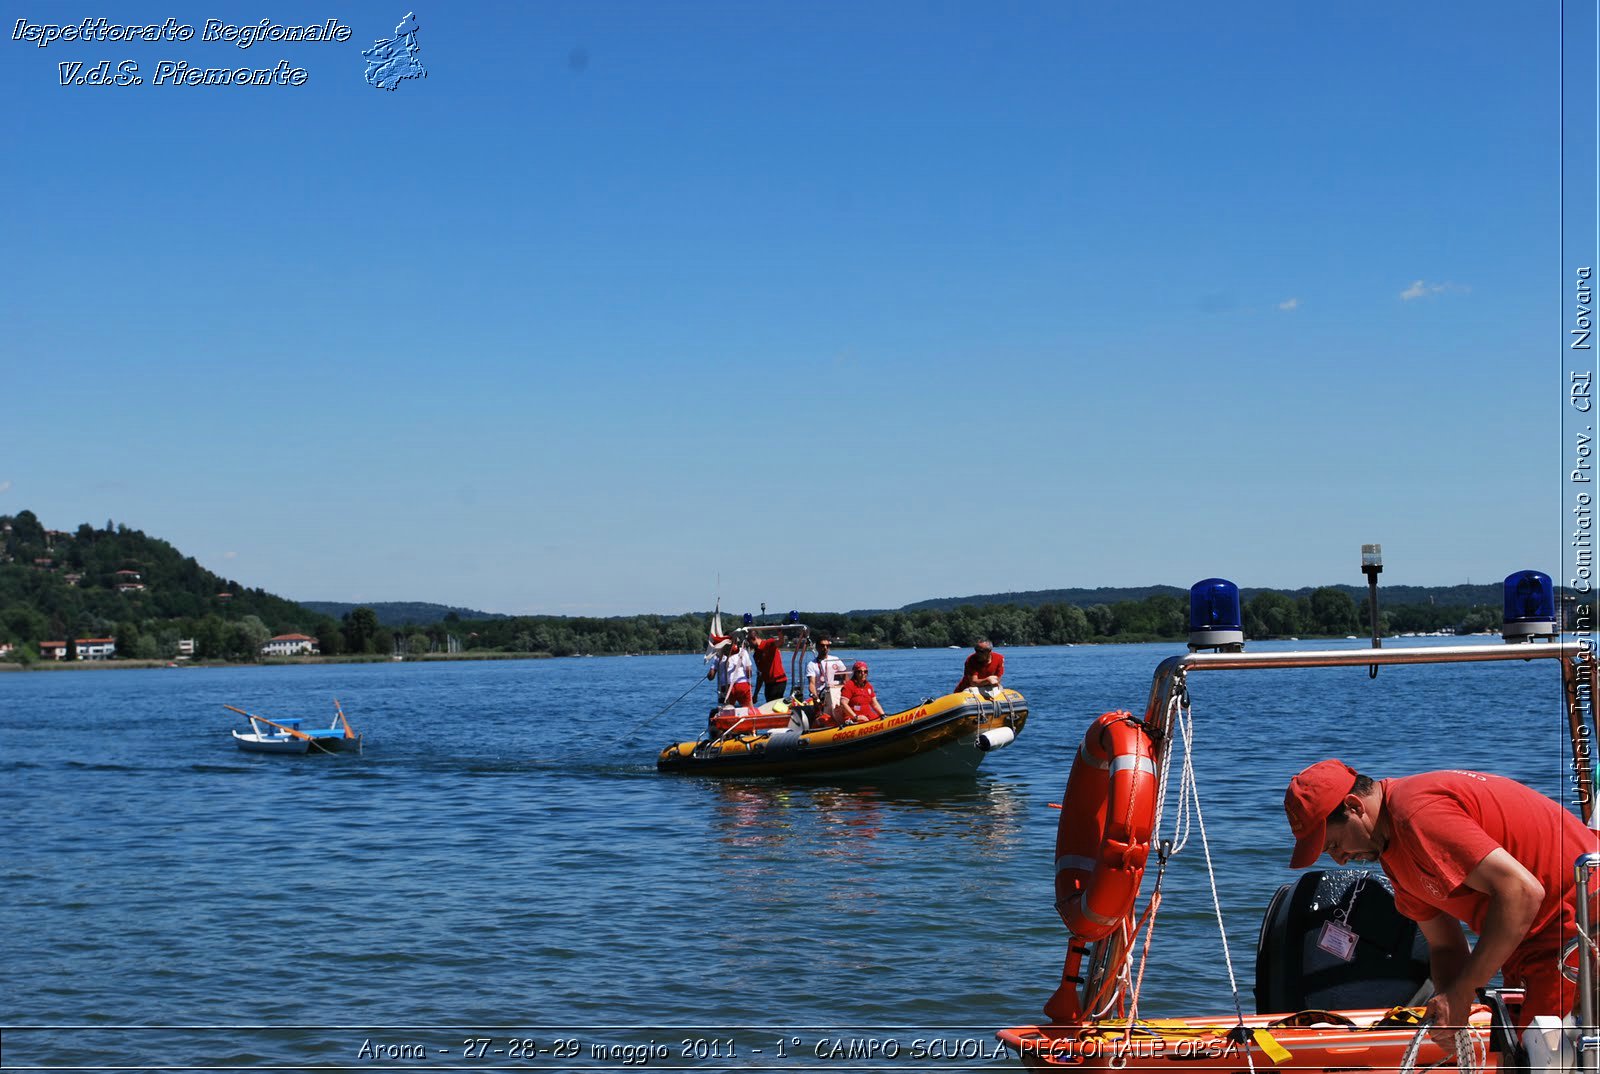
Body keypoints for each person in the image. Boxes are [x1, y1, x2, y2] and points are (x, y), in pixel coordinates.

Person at [1284, 759, 1599, 1040]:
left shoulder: (1417, 814)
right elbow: (1445, 945)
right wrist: (1450, 1010)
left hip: (1577, 925)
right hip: (1531, 943)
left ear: (1354, 806)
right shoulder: (1392, 852)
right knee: (1517, 1047)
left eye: (1335, 844)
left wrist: (1461, 994)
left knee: (1541, 1052)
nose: (1339, 861)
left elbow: (1522, 892)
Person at [805, 637, 850, 725]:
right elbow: (812, 683)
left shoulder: (835, 659)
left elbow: (845, 676)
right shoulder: (812, 665)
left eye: (827, 646)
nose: (825, 648)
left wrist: (847, 689)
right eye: (822, 645)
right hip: (822, 696)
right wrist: (815, 697)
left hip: (837, 692)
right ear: (817, 647)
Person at [706, 637, 755, 711]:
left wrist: (709, 674)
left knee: (727, 711)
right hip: (742, 685)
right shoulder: (742, 652)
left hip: (726, 687)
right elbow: (749, 672)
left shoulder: (718, 654)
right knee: (749, 710)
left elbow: (711, 676)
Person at [751, 632, 789, 703]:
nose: (749, 644)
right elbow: (760, 675)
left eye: (749, 641)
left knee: (775, 703)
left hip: (778, 681)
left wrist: (780, 631)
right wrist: (756, 694)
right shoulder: (756, 655)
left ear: (754, 638)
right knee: (769, 702)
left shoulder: (769, 643)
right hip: (768, 683)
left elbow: (781, 641)